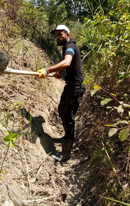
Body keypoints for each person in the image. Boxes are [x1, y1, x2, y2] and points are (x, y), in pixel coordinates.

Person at [37, 25, 85, 162]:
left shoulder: (70, 46)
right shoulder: (66, 48)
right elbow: (67, 68)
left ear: (67, 35)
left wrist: (47, 70)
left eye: (60, 35)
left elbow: (67, 63)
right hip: (70, 86)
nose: (58, 37)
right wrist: (59, 73)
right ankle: (66, 138)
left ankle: (66, 154)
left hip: (75, 88)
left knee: (68, 118)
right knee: (61, 110)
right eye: (56, 36)